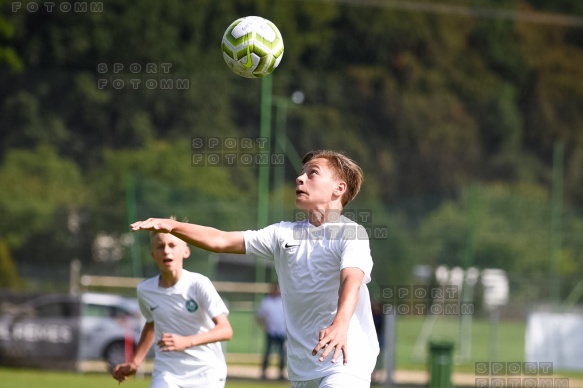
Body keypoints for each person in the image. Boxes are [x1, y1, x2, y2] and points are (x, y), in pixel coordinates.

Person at [130, 150, 380, 388]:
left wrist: (340, 324)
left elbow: (352, 280)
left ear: (339, 188)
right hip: (302, 367)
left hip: (346, 359)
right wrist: (172, 226)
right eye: (301, 173)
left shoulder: (350, 233)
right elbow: (220, 240)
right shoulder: (282, 233)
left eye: (312, 173)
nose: (300, 178)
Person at [112, 225, 233, 388]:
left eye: (172, 245)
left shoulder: (199, 284)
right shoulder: (145, 290)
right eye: (160, 246)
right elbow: (152, 323)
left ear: (186, 251)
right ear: (153, 254)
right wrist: (135, 362)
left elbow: (225, 330)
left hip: (206, 372)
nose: (166, 251)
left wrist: (186, 342)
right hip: (167, 373)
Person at [256, 283, 287, 380]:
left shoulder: (285, 301)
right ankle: (264, 373)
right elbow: (260, 316)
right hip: (271, 331)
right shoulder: (266, 301)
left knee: (282, 354)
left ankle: (281, 374)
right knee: (267, 353)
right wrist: (265, 326)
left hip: (282, 332)